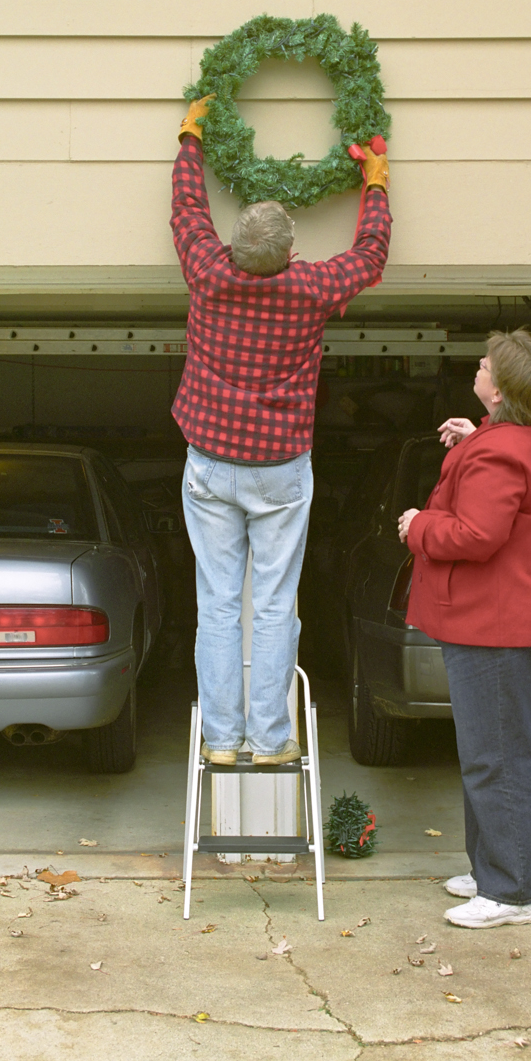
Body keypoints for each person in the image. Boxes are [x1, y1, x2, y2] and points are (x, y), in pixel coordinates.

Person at [172, 98, 391, 764]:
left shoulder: (208, 271)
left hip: (211, 462)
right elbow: (372, 254)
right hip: (279, 471)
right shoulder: (312, 288)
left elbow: (187, 212)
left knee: (218, 604)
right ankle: (268, 739)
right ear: (291, 250)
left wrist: (191, 137)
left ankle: (219, 739)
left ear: (238, 247)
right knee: (272, 605)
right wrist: (375, 180)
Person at [397, 328, 531, 927]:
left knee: (493, 757)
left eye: (482, 366)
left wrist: (418, 524)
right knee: (495, 750)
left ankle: (510, 892)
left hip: (493, 625)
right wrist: (477, 439)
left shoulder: (500, 451)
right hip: (519, 616)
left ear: (498, 392)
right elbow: (522, 480)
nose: (475, 368)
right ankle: (491, 871)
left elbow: (476, 535)